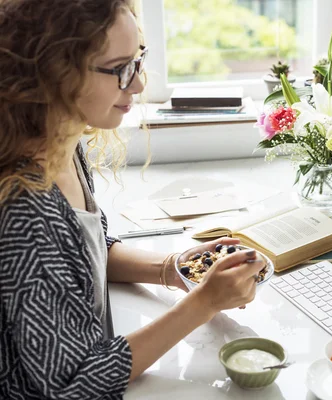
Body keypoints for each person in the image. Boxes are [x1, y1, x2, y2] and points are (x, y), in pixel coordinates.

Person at [0, 1, 265, 398]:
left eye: (138, 60)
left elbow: (82, 258)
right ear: (55, 73)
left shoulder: (62, 145)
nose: (139, 84)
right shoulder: (24, 210)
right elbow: (71, 384)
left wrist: (173, 268)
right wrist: (204, 304)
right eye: (120, 68)